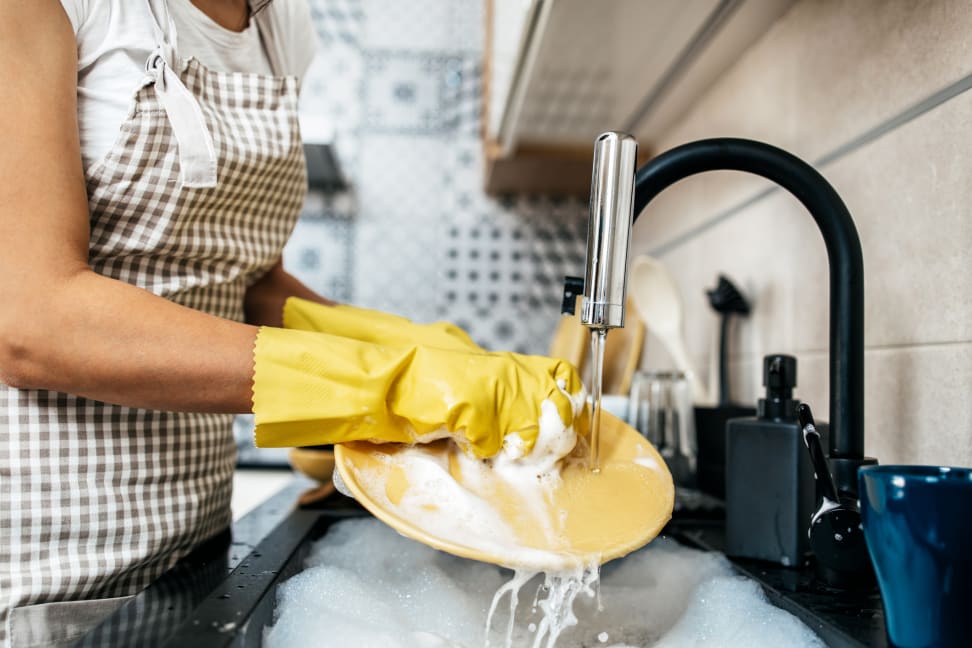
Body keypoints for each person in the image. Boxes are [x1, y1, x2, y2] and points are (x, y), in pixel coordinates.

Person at [0, 1, 584, 646]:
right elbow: (31, 319)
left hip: (192, 552)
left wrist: (420, 350)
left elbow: (247, 282)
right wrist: (392, 386)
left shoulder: (281, 27)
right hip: (47, 570)